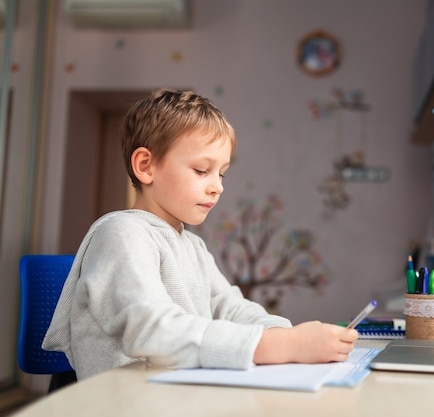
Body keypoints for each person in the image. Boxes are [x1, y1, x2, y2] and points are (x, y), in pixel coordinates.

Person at [43, 88, 358, 381]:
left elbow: (230, 307)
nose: (217, 186)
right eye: (201, 170)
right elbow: (153, 332)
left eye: (221, 173)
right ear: (145, 166)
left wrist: (287, 335)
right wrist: (281, 345)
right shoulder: (121, 233)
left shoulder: (192, 245)